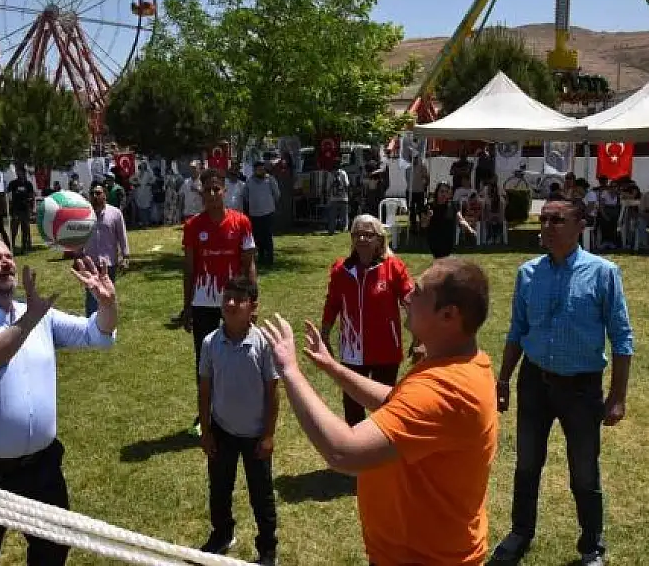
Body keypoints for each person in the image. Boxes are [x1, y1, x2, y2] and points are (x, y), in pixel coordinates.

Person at [259, 257, 497, 565]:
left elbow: (344, 452)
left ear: (448, 315)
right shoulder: (459, 363)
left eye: (420, 292)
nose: (408, 296)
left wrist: (289, 370)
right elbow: (398, 402)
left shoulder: (447, 388)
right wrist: (333, 368)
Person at [0, 235, 116, 566]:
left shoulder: (36, 314)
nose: (7, 262)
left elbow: (97, 335)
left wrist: (107, 305)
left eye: (9, 256)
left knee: (52, 551)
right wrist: (30, 319)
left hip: (42, 466)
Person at [491, 197, 634, 566]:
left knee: (584, 470)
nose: (547, 227)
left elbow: (622, 338)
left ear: (579, 226)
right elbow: (517, 331)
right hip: (534, 382)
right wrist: (503, 379)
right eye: (544, 220)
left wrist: (617, 397)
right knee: (526, 464)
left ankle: (591, 546)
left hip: (582, 388)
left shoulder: (603, 273)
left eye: (557, 220)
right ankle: (520, 532)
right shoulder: (528, 273)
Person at [197, 278, 279, 565]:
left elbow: (272, 392)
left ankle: (267, 546)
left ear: (252, 306)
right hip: (222, 431)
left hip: (255, 435)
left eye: (238, 299)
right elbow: (205, 389)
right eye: (226, 298)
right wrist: (206, 432)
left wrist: (268, 435)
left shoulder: (263, 344)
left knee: (262, 494)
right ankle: (222, 534)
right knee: (219, 488)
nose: (230, 304)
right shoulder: (210, 343)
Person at [320, 214, 414, 426]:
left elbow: (411, 302)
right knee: (352, 407)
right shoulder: (341, 270)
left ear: (379, 239)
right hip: (352, 350)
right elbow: (332, 303)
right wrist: (325, 333)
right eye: (357, 234)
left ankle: (384, 451)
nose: (362, 239)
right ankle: (357, 453)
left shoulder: (393, 267)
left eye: (368, 235)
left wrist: (421, 337)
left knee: (385, 406)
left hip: (386, 349)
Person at [183, 168, 257, 434]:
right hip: (203, 303)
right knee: (205, 359)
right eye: (208, 190)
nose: (213, 194)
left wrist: (252, 299)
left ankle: (233, 409)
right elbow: (189, 269)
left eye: (217, 189)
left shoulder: (242, 223)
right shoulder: (193, 226)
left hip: (234, 302)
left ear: (225, 191)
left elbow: (249, 265)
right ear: (201, 194)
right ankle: (205, 414)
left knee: (238, 356)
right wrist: (187, 306)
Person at [81, 181, 129, 316]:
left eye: (98, 193)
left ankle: (107, 323)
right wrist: (77, 256)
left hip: (109, 264)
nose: (95, 196)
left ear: (105, 195)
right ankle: (91, 325)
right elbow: (80, 237)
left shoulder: (115, 213)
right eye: (92, 193)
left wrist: (126, 256)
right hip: (90, 263)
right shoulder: (84, 214)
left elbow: (122, 235)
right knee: (91, 297)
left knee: (107, 295)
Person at [420, 183, 475, 259]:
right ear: (437, 192)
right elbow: (423, 225)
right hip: (434, 240)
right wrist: (428, 217)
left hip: (448, 241)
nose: (444, 194)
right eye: (442, 191)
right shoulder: (429, 206)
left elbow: (461, 220)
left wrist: (469, 229)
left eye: (446, 192)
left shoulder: (453, 205)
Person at [244, 161, 280, 267]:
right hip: (254, 214)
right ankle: (261, 256)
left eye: (262, 169)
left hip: (268, 212)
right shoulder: (249, 181)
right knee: (258, 237)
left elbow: (277, 194)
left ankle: (270, 258)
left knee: (268, 236)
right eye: (258, 169)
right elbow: (246, 196)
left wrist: (270, 204)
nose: (261, 171)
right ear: (254, 170)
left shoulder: (270, 180)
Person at [6, 173, 36, 253]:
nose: (20, 174)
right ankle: (11, 246)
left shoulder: (28, 184)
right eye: (19, 172)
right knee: (14, 229)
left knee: (25, 230)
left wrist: (32, 207)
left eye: (21, 172)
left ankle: (24, 247)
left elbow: (32, 195)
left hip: (25, 210)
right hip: (16, 210)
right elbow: (7, 192)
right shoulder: (13, 183)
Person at [326, 162, 350, 235]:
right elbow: (346, 184)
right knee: (344, 216)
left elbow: (328, 187)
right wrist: (347, 195)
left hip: (334, 199)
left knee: (332, 216)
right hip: (343, 198)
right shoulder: (343, 173)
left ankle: (331, 230)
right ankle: (344, 230)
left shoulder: (330, 174)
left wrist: (328, 197)